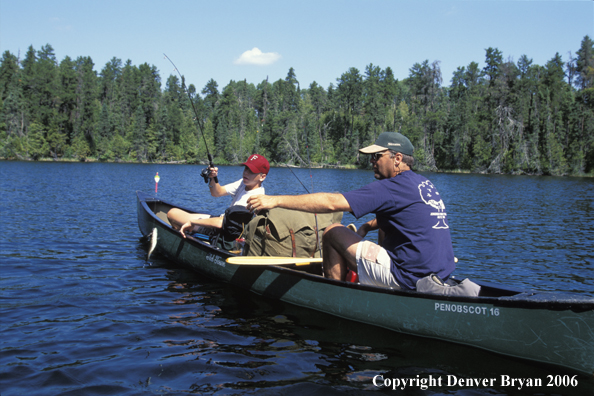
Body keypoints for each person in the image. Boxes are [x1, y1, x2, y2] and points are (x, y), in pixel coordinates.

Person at [246, 132, 455, 290]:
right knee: (384, 227)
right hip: (439, 274)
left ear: (397, 158)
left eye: (377, 156)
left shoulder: (391, 187)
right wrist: (365, 226)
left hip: (408, 278)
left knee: (332, 232)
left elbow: (331, 203)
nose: (372, 162)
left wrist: (274, 201)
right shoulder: (423, 184)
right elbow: (404, 217)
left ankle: (335, 293)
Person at [167, 154, 270, 238]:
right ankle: (187, 233)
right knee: (174, 213)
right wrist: (213, 177)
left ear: (262, 177)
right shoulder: (243, 183)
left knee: (172, 214)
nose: (246, 173)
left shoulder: (256, 198)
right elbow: (217, 192)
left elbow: (220, 223)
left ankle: (186, 236)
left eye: (252, 171)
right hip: (220, 220)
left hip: (221, 230)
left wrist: (192, 222)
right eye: (246, 168)